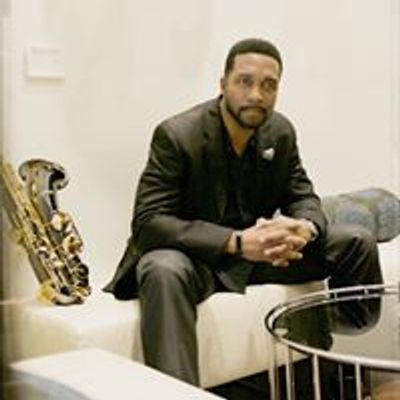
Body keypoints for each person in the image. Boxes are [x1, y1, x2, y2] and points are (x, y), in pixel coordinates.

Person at [104, 38, 382, 388]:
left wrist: (304, 227)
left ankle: (313, 322)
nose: (256, 95)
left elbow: (302, 194)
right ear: (223, 85)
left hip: (260, 257)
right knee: (162, 268)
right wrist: (235, 242)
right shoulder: (176, 135)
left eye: (269, 85)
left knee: (356, 241)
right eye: (245, 82)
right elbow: (149, 223)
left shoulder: (280, 132)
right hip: (197, 260)